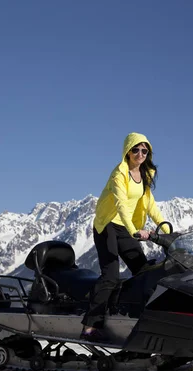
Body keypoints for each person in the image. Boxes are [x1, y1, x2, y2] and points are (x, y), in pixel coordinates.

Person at [80, 132, 170, 342]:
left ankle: (136, 317)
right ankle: (89, 327)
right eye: (136, 150)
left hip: (126, 228)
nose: (140, 154)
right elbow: (120, 204)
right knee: (110, 276)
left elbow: (150, 206)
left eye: (144, 150)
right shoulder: (119, 174)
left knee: (143, 271)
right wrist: (134, 231)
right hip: (108, 226)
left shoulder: (145, 175)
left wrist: (167, 229)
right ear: (127, 151)